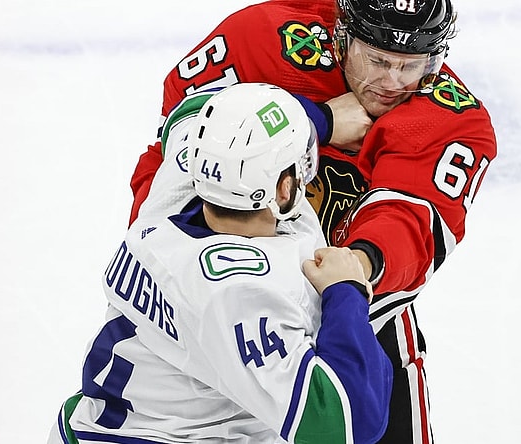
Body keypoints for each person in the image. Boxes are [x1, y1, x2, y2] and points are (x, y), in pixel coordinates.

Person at [129, 1, 498, 442]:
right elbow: (188, 131)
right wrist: (313, 119)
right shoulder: (261, 38)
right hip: (216, 290)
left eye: (411, 65)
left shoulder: (451, 117)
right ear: (342, 34)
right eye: (378, 60)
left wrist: (356, 269)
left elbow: (410, 220)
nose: (393, 82)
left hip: (355, 307)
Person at [48, 83, 393, 444]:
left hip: (97, 426)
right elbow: (347, 425)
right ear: (284, 187)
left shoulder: (172, 195)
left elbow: (193, 109)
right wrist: (346, 291)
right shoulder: (244, 292)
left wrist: (323, 120)